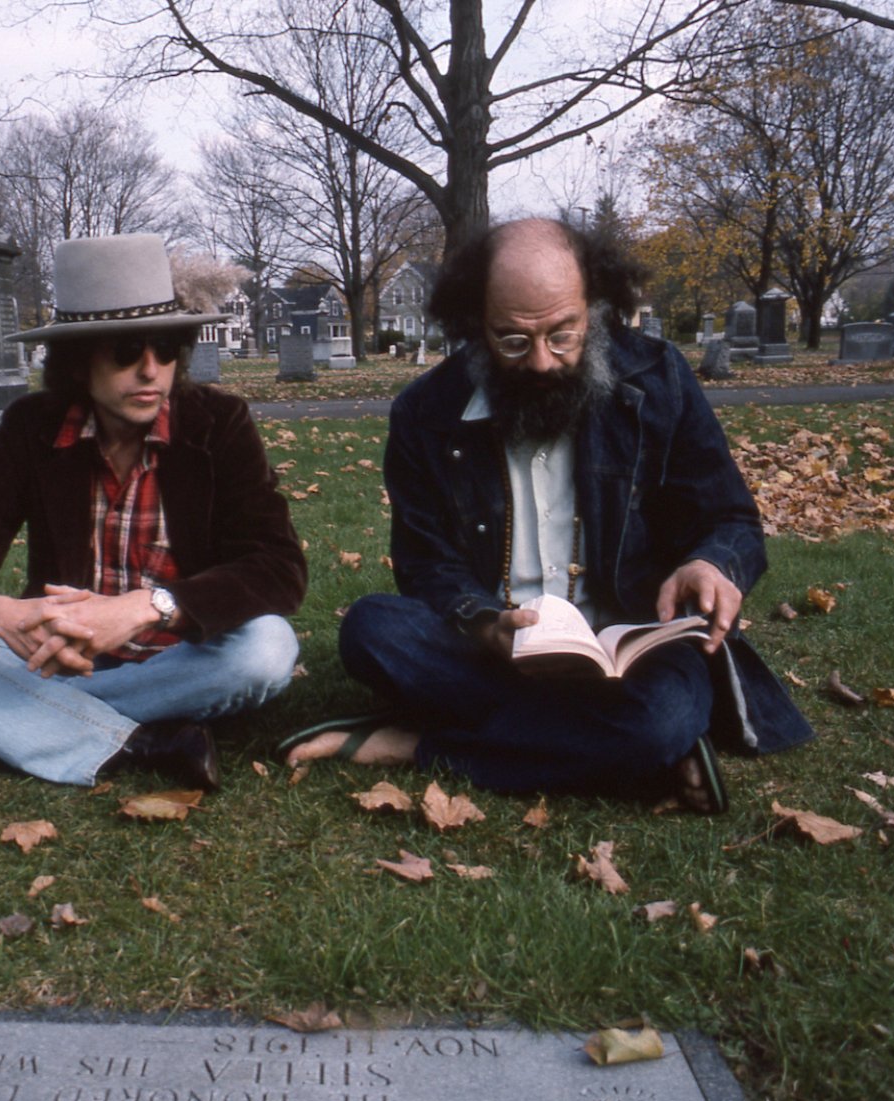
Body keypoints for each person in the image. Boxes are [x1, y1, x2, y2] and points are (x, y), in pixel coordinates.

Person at [282, 218, 811, 811]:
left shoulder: (658, 379)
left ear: (595, 309)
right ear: (474, 324)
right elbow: (426, 565)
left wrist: (713, 564)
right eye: (512, 340)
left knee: (663, 713)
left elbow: (731, 520)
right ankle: (629, 751)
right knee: (371, 631)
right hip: (493, 652)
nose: (541, 362)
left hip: (630, 656)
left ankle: (421, 744)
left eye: (564, 335)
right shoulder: (424, 413)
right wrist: (485, 624)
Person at [0, 233, 307, 791]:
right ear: (76, 361)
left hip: (181, 655)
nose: (150, 371)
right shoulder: (33, 428)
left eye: (165, 348)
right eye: (125, 352)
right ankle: (139, 742)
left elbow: (277, 568)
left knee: (267, 649)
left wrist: (148, 607)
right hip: (56, 654)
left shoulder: (219, 423)